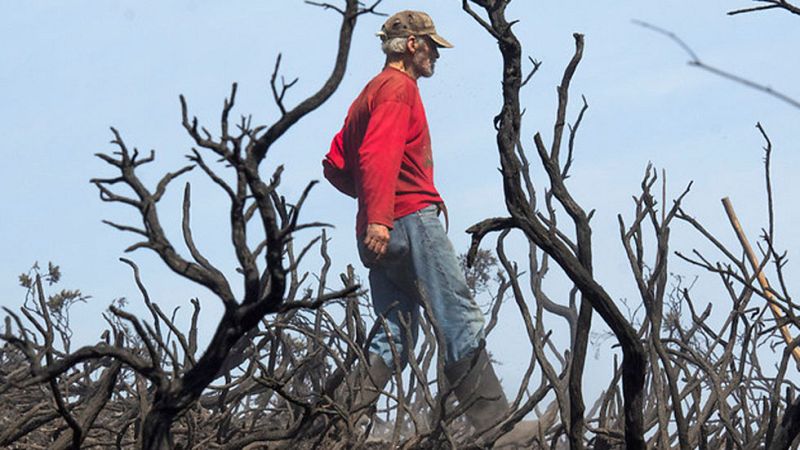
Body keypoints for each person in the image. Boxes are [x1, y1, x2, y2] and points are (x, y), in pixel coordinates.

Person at [322, 10, 519, 440]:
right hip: (408, 221)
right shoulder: (397, 88)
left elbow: (336, 164)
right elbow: (378, 155)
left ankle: (339, 428)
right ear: (412, 44)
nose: (436, 55)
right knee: (459, 315)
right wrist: (382, 216)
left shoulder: (367, 94)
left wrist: (372, 210)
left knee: (394, 333)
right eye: (431, 46)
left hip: (381, 230)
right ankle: (497, 431)